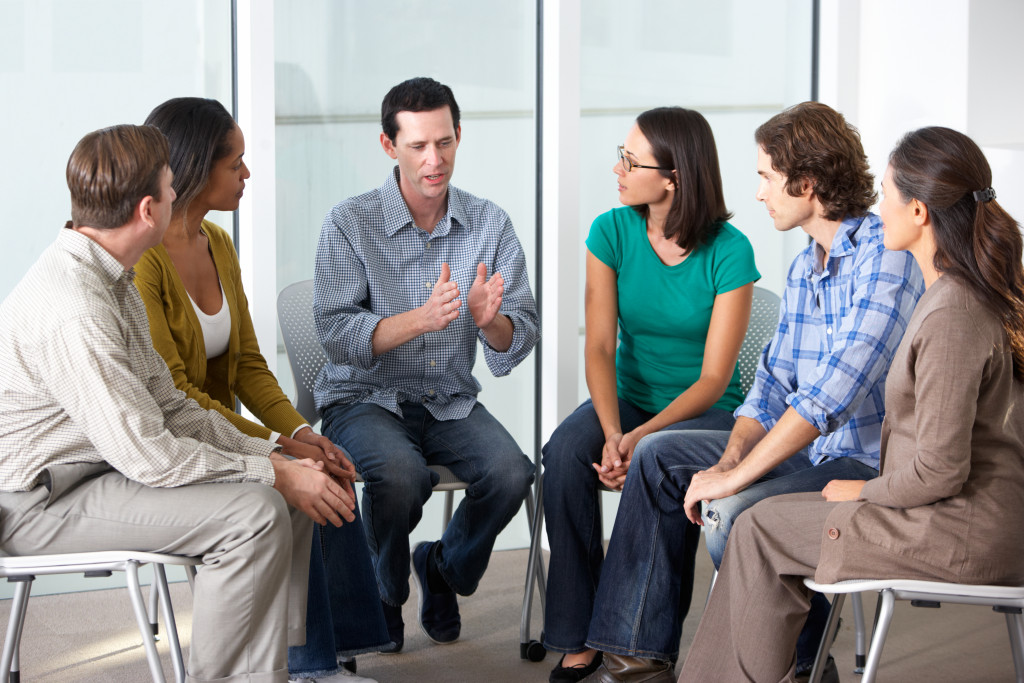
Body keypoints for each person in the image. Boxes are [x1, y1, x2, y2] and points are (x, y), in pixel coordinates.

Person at [581, 102, 924, 682]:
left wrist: (733, 477)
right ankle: (636, 656)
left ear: (806, 184)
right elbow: (769, 388)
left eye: (766, 176)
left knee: (735, 510)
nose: (759, 192)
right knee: (657, 454)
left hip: (862, 459)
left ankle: (799, 663)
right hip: (807, 450)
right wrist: (733, 453)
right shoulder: (803, 271)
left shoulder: (884, 258)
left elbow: (830, 398)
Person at [0, 124, 354, 682]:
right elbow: (151, 456)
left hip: (96, 473)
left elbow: (171, 405)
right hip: (38, 503)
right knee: (254, 511)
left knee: (279, 489)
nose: (176, 196)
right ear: (148, 209)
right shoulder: (76, 309)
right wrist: (272, 473)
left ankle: (280, 669)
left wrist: (276, 453)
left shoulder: (113, 277)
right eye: (170, 188)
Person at [680, 126, 1024, 681]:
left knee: (756, 529)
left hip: (954, 529)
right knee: (758, 525)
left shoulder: (954, 314)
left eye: (887, 195)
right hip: (934, 515)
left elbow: (939, 470)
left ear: (919, 212)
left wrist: (863, 489)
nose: (876, 208)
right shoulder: (948, 297)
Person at [138, 97, 387, 683]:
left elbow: (249, 364)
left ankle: (336, 654)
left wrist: (301, 432)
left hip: (223, 429)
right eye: (237, 164)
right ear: (197, 168)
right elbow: (173, 393)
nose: (248, 175)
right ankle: (311, 667)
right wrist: (275, 445)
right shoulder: (145, 261)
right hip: (178, 441)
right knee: (300, 481)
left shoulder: (217, 243)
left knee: (329, 461)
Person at [314, 77, 538, 652]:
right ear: (390, 147)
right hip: (363, 397)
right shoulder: (349, 222)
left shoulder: (490, 223)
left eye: (443, 142)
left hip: (447, 397)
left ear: (459, 136)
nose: (433, 160)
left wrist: (490, 320)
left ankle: (440, 568)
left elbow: (518, 337)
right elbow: (336, 337)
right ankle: (385, 593)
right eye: (417, 146)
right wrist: (420, 318)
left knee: (512, 472)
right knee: (399, 477)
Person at [542, 107, 758, 683]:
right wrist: (615, 432)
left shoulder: (731, 251)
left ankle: (639, 643)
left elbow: (715, 378)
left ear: (673, 178)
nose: (616, 168)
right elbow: (598, 346)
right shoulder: (610, 231)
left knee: (657, 465)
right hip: (630, 399)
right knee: (565, 453)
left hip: (706, 412)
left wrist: (641, 439)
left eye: (630, 160)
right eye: (622, 153)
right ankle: (575, 634)